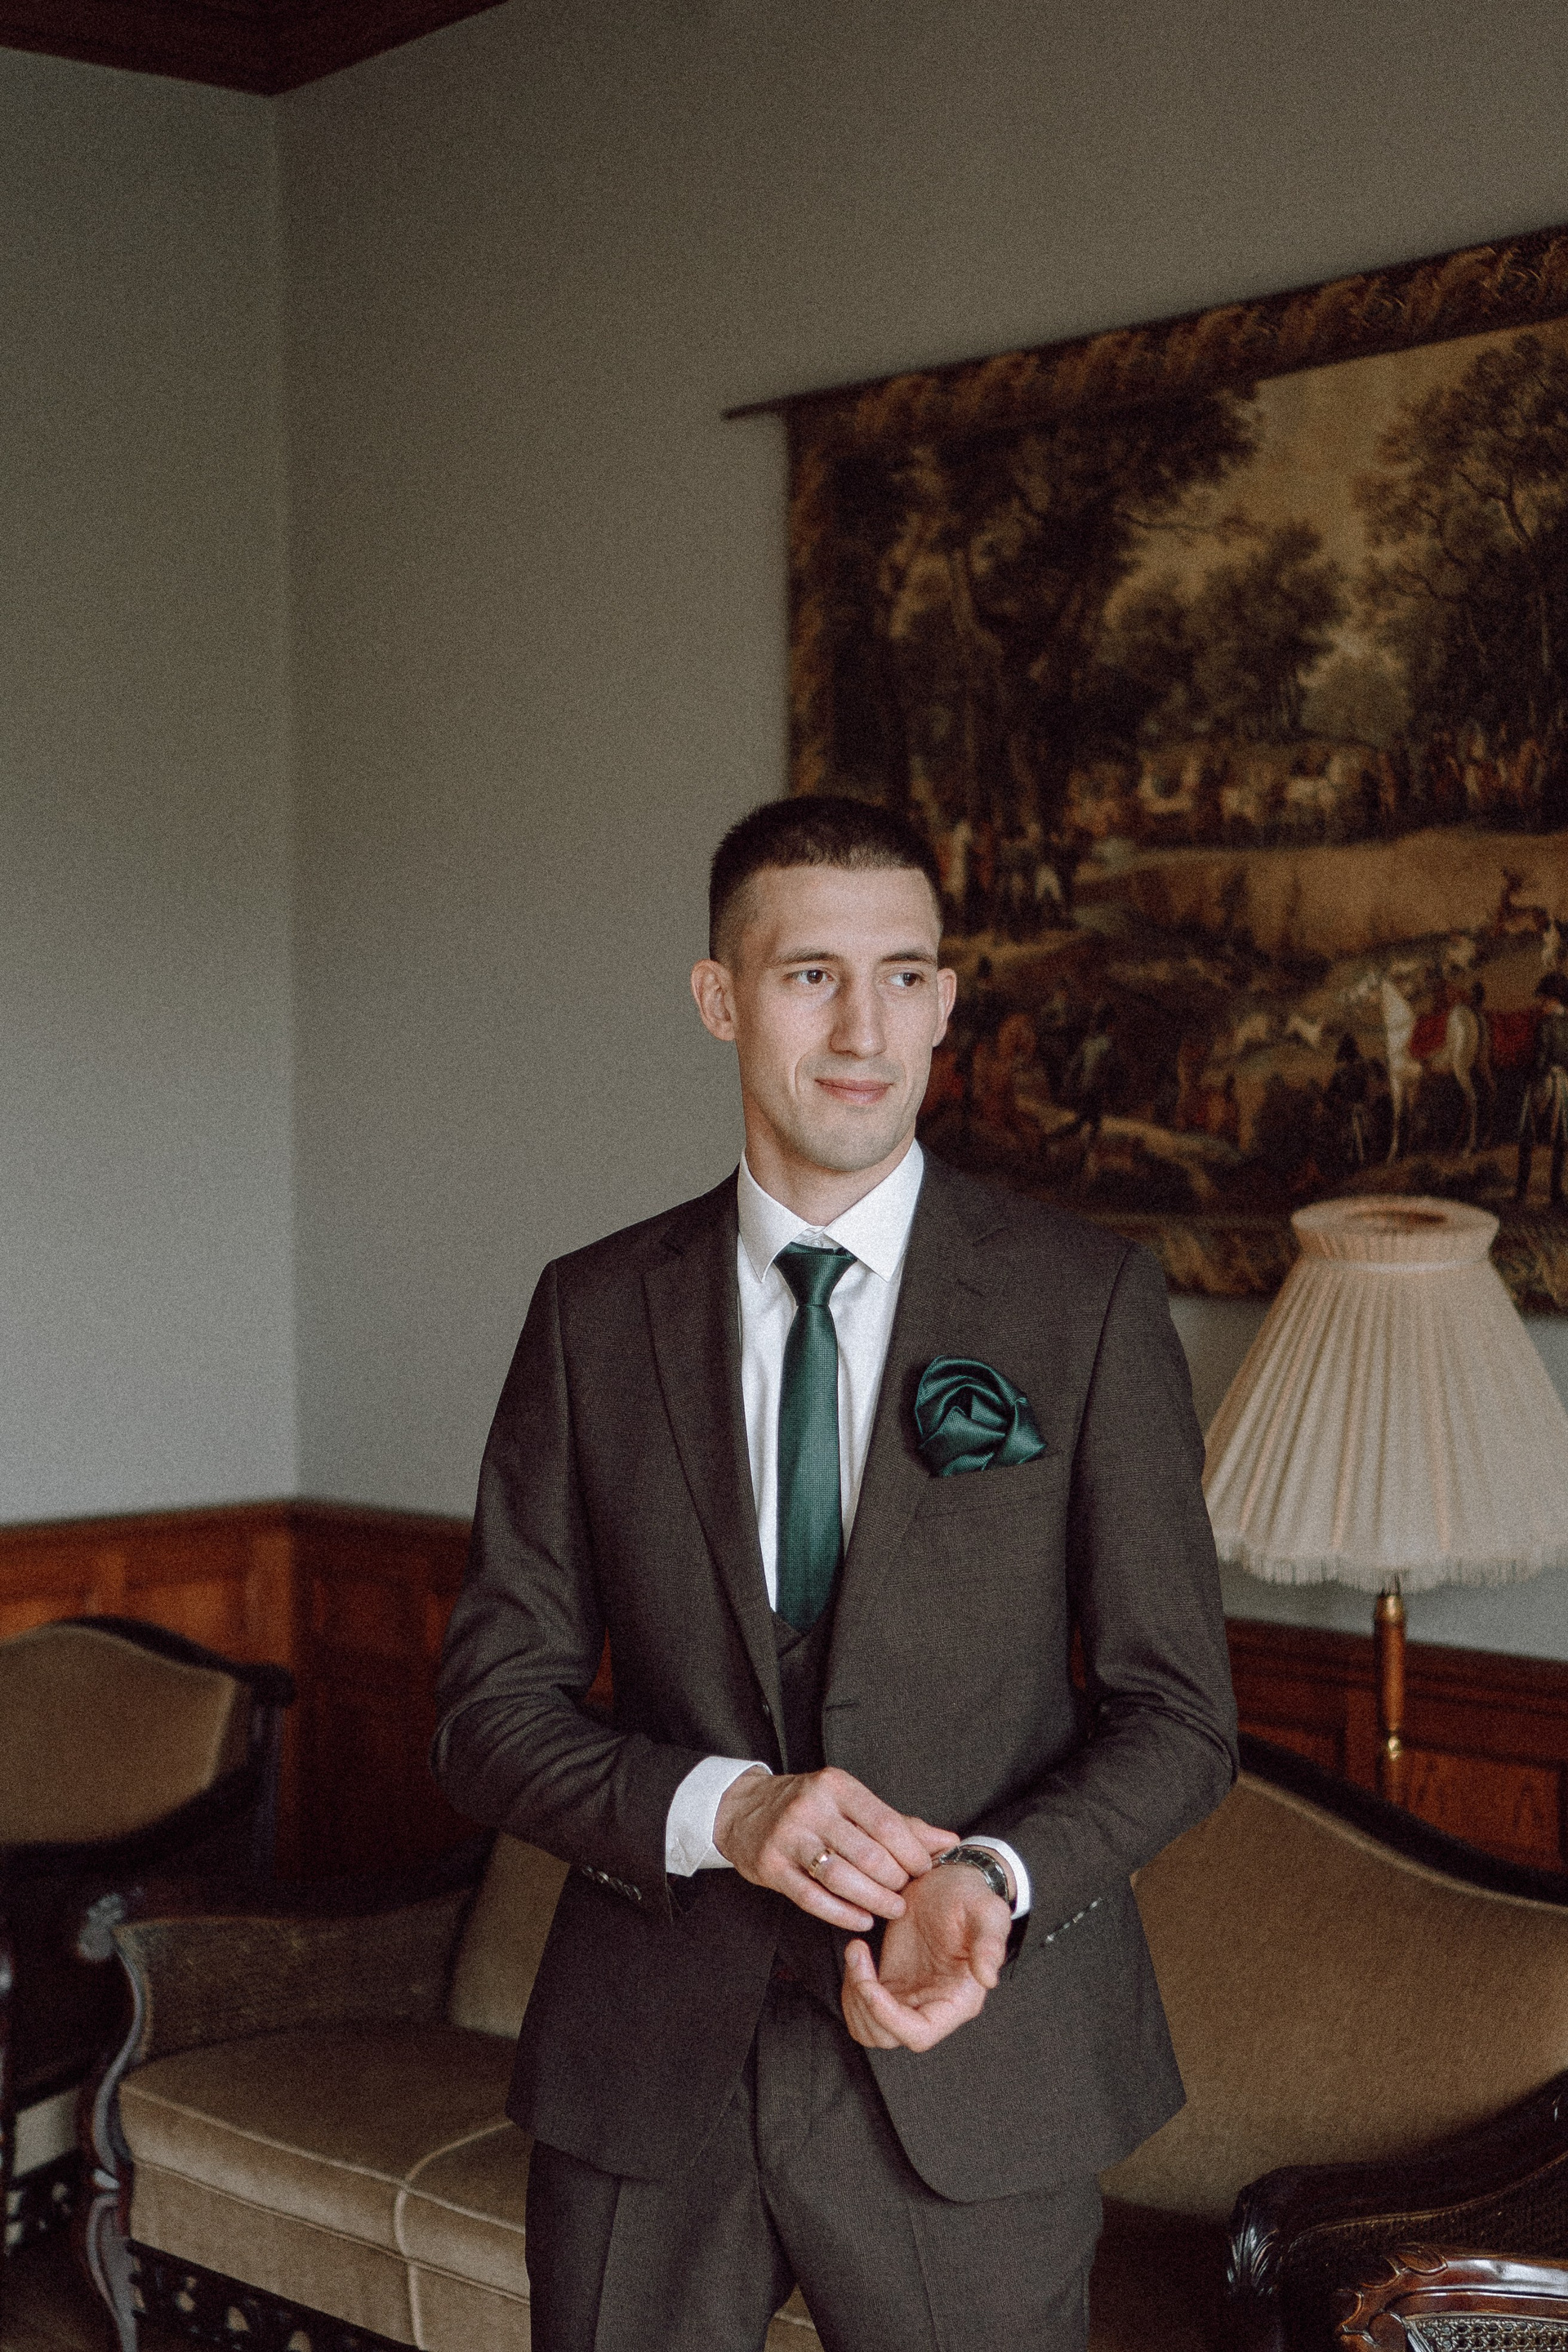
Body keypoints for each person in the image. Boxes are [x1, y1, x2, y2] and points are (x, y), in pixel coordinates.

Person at [432, 794, 1238, 2352]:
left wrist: (992, 1879)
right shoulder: (593, 1314)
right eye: (812, 975)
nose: (865, 1029)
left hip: (971, 2061)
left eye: (904, 975)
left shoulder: (1084, 1303)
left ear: (945, 998)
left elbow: (1183, 1716)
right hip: (647, 2066)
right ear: (719, 997)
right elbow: (487, 1713)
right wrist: (724, 1810)